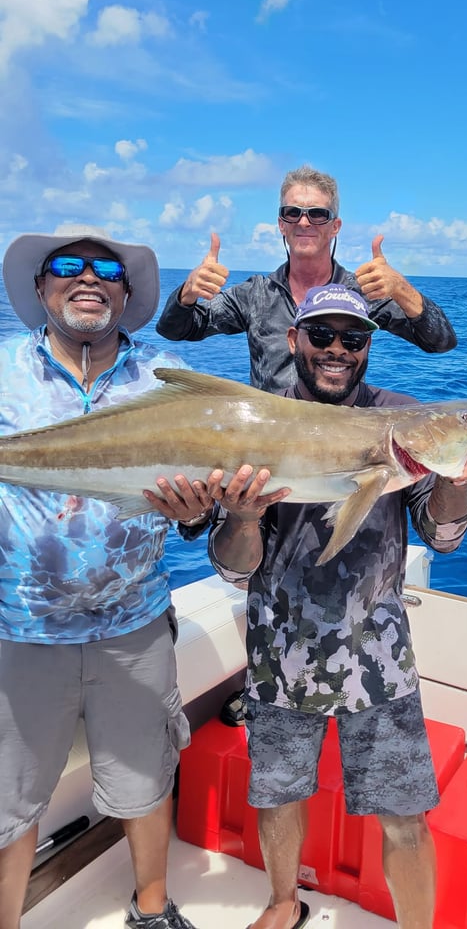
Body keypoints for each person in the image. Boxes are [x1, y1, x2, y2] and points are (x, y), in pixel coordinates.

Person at [202, 285, 467, 929]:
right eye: (322, 336)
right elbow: (232, 568)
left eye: (354, 338)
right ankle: (284, 904)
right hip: (278, 647)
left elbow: (445, 538)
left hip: (378, 649)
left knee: (404, 812)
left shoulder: (399, 416)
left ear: (370, 347)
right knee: (278, 797)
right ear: (294, 341)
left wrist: (453, 479)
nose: (337, 350)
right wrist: (244, 516)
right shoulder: (258, 420)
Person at [0, 224, 215, 929]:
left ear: (126, 295)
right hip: (21, 629)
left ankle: (152, 909)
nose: (88, 277)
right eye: (68, 265)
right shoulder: (3, 374)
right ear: (41, 286)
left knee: (146, 780)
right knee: (10, 800)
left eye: (107, 270)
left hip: (134, 622)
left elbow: (199, 500)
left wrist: (196, 513)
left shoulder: (167, 380)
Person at [155, 163, 457, 391]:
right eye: (293, 212)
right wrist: (187, 294)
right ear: (281, 224)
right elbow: (177, 329)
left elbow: (440, 342)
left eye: (317, 214)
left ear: (335, 226)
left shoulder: (361, 294)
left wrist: (402, 290)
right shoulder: (256, 294)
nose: (304, 221)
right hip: (269, 447)